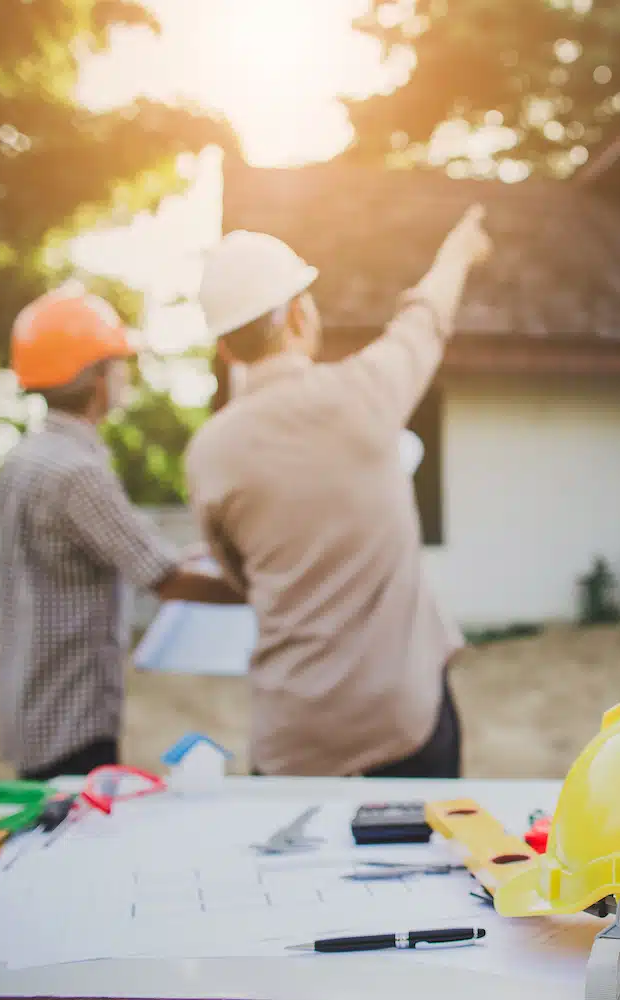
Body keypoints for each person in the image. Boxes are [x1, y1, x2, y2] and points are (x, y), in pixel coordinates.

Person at [184, 205, 492, 779]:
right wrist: (457, 253)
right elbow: (425, 318)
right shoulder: (364, 395)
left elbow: (240, 576)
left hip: (291, 738)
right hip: (400, 721)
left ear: (226, 349)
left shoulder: (209, 454)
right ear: (300, 314)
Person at [0, 287, 246, 783]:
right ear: (94, 377)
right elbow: (165, 579)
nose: (125, 375)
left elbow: (121, 550)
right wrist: (266, 594)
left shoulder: (26, 459)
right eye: (117, 364)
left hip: (33, 704)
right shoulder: (77, 473)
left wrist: (202, 556)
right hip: (71, 715)